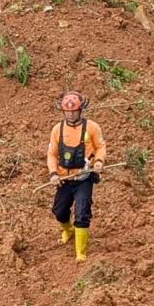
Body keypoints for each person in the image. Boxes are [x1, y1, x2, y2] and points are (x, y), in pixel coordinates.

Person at [47, 92, 106, 263]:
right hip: (64, 179)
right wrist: (53, 173)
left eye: (74, 111)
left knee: (82, 212)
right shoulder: (57, 130)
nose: (71, 114)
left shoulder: (92, 127)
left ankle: (80, 252)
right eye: (67, 111)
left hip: (84, 178)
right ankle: (68, 230)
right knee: (59, 211)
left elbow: (100, 147)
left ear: (81, 110)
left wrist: (99, 161)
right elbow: (52, 154)